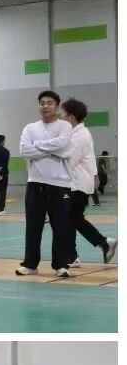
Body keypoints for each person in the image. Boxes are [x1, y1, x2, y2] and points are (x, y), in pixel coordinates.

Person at [16, 90, 75, 277]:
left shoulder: (65, 126)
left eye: (50, 103)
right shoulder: (30, 128)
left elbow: (65, 148)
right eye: (42, 103)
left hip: (60, 185)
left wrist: (37, 147)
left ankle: (61, 265)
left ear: (57, 106)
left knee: (61, 227)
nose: (45, 106)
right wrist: (52, 149)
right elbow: (24, 150)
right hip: (35, 183)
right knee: (33, 226)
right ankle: (30, 264)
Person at [61, 99, 117, 266]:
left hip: (77, 185)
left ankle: (101, 243)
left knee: (71, 218)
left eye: (63, 115)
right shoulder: (78, 134)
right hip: (78, 184)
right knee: (73, 219)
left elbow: (70, 161)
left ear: (71, 117)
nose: (61, 118)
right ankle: (82, 252)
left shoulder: (79, 136)